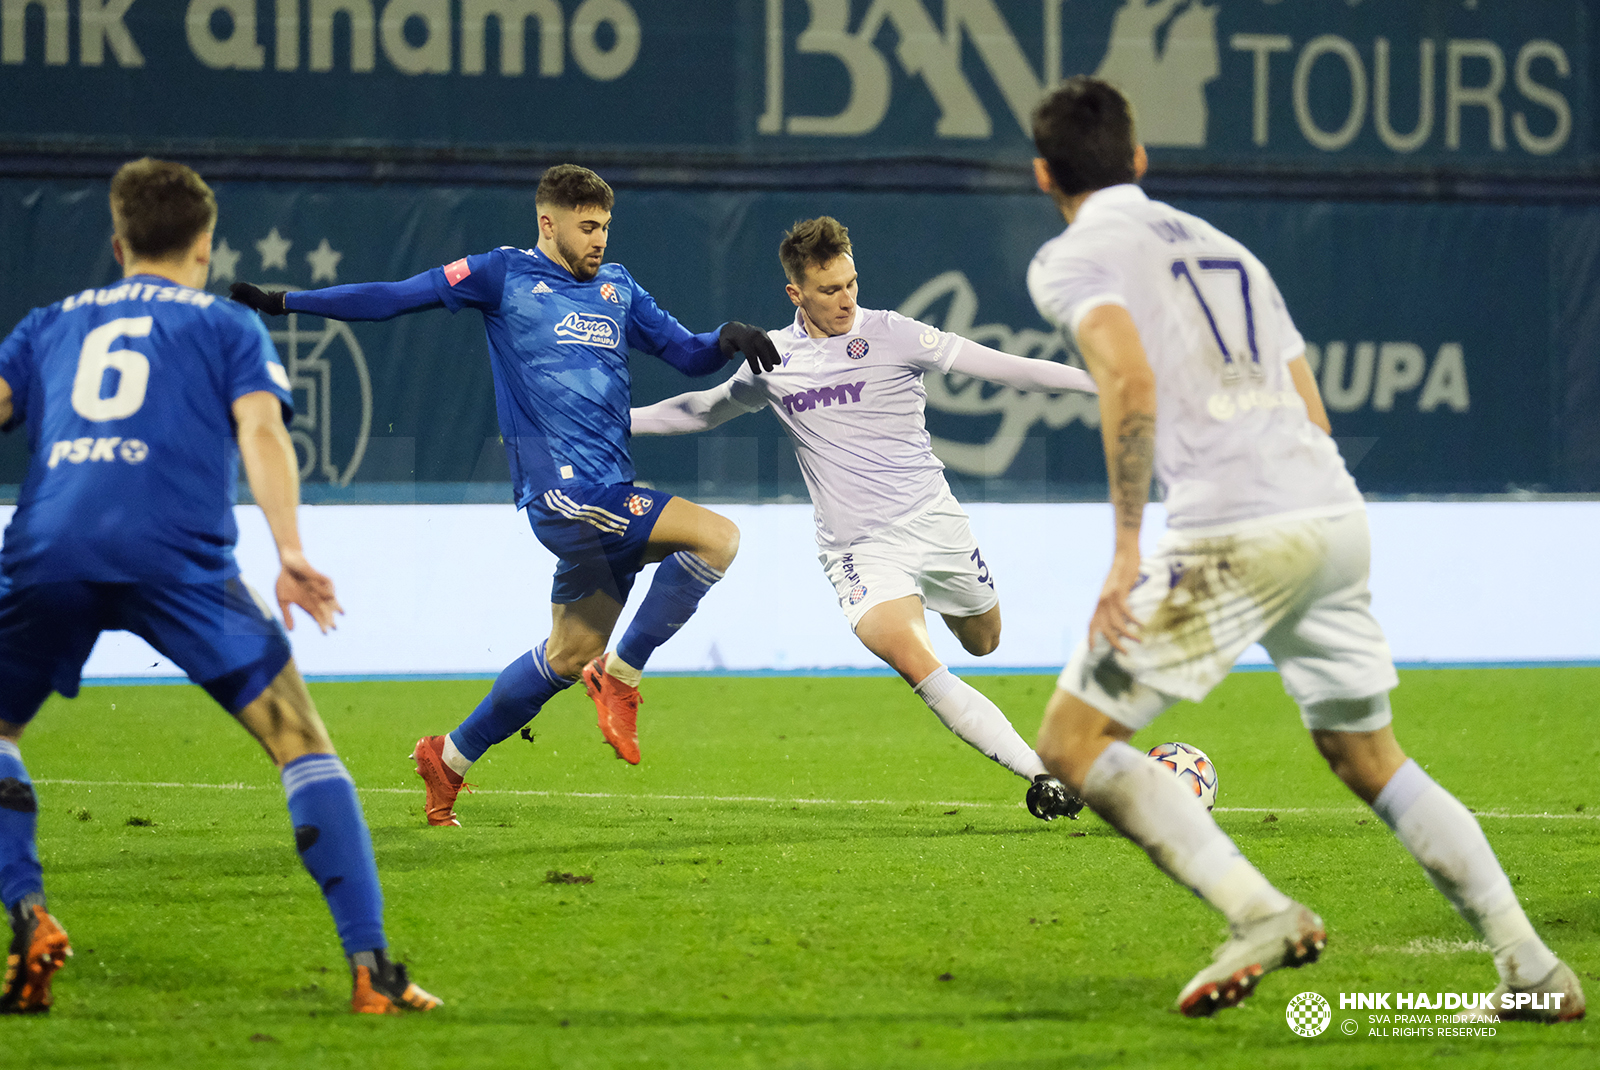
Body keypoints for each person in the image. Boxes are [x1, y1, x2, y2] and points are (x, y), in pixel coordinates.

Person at [1025, 76, 1584, 1020]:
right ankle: (1532, 969)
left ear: (1045, 175)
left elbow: (1125, 376)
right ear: (1141, 159)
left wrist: (1127, 547)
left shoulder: (1074, 256)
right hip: (1331, 513)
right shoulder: (1231, 252)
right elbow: (1308, 402)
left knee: (1071, 744)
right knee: (1370, 756)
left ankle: (1259, 912)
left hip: (1234, 531)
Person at [0, 159, 439, 1015]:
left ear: (118, 242)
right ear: (205, 245)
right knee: (301, 743)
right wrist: (289, 550)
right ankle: (372, 968)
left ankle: (28, 912)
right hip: (178, 558)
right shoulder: (225, 328)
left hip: (51, 550)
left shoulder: (49, 323)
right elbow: (263, 431)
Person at [230, 165, 781, 826]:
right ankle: (622, 676)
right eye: (586, 226)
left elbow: (686, 354)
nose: (598, 239)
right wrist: (289, 302)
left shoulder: (617, 287)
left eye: (605, 225)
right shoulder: (503, 274)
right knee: (718, 537)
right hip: (563, 495)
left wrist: (726, 339)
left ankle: (449, 758)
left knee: (567, 655)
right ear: (547, 222)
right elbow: (393, 297)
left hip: (608, 496)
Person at [631, 217, 1097, 820]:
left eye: (852, 283)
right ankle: (1039, 775)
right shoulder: (774, 358)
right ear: (795, 293)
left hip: (934, 522)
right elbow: (700, 411)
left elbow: (1002, 366)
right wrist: (612, 422)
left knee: (984, 642)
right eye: (830, 290)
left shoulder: (894, 334)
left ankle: (951, 611)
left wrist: (1099, 385)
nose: (847, 298)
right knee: (916, 663)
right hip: (857, 550)